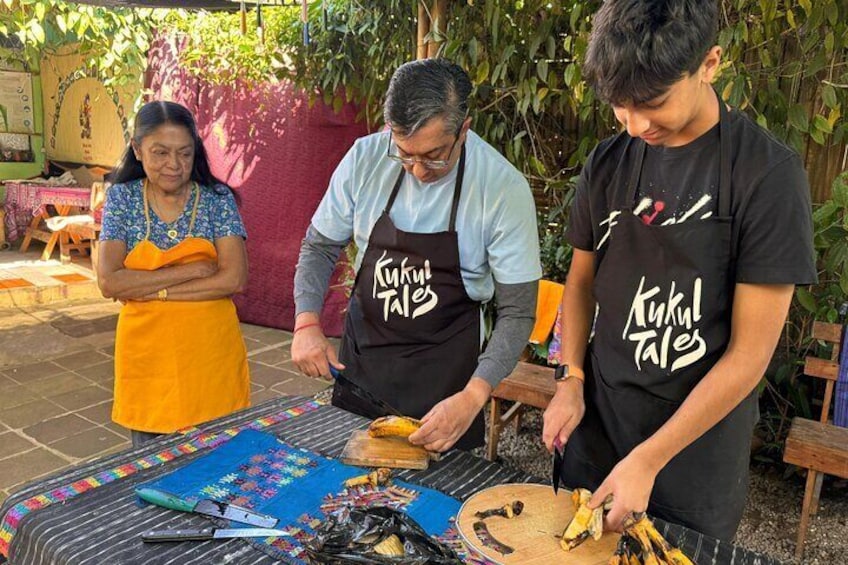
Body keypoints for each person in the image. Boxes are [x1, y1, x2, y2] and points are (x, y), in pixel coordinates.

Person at [542, 0, 817, 542]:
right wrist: (570, 377)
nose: (637, 124)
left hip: (695, 453)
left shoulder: (766, 176)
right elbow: (580, 282)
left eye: (654, 103)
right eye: (621, 106)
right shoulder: (607, 163)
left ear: (710, 64)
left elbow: (749, 356)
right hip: (599, 425)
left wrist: (651, 459)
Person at [292, 58, 542, 452]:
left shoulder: (501, 188)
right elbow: (320, 246)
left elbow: (518, 311)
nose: (418, 171)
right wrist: (306, 323)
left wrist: (475, 395)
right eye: (404, 154)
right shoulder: (364, 158)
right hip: (363, 364)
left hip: (446, 383)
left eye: (434, 155)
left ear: (464, 129)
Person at [97, 101, 250, 447]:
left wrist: (149, 289)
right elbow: (109, 281)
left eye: (184, 153)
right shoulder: (122, 199)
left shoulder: (216, 198)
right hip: (148, 361)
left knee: (216, 468)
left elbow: (234, 279)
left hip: (211, 358)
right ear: (137, 149)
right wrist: (192, 271)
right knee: (152, 471)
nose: (174, 165)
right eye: (160, 152)